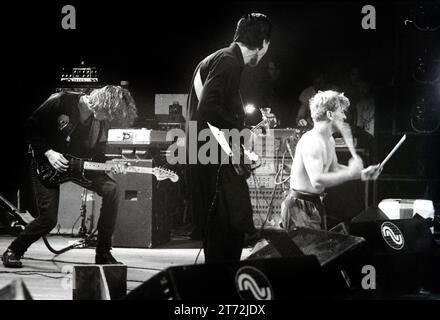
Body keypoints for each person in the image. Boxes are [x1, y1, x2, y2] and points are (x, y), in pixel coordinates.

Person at [2, 85, 137, 268]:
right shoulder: (61, 100)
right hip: (47, 164)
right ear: (103, 103)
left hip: (77, 166)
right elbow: (30, 125)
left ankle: (103, 254)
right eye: (111, 113)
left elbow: (98, 155)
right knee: (48, 220)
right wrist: (48, 152)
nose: (111, 118)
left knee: (111, 188)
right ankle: (13, 251)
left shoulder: (100, 122)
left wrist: (110, 166)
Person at [186, 13, 272, 263]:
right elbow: (208, 108)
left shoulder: (221, 58)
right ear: (264, 43)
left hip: (207, 153)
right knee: (232, 226)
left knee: (224, 231)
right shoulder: (228, 61)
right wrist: (241, 130)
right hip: (213, 156)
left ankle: (220, 286)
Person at [281, 90, 381, 231]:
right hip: (300, 205)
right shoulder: (313, 141)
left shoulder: (329, 140)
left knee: (318, 251)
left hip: (314, 203)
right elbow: (317, 181)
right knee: (309, 252)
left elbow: (334, 168)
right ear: (329, 114)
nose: (345, 116)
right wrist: (350, 174)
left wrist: (362, 174)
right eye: (341, 111)